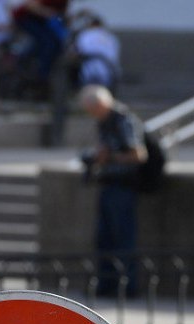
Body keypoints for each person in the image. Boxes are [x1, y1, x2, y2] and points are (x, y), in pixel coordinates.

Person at [80, 84, 146, 298]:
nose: (92, 115)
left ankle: (127, 287)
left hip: (123, 186)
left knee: (123, 238)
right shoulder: (105, 122)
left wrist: (108, 157)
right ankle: (106, 284)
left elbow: (138, 155)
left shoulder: (122, 119)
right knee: (104, 239)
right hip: (108, 184)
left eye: (92, 110)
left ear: (100, 105)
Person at [12, 0, 69, 96]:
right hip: (25, 18)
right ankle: (40, 73)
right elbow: (29, 5)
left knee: (57, 42)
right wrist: (48, 13)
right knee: (47, 41)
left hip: (42, 20)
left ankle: (47, 69)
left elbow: (62, 14)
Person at [71, 13, 120, 94]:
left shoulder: (85, 35)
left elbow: (75, 54)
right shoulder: (111, 37)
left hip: (89, 73)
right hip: (109, 73)